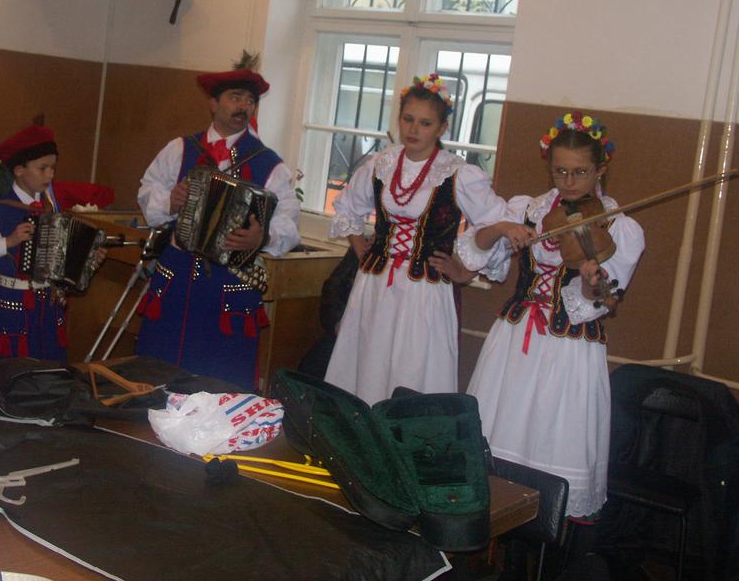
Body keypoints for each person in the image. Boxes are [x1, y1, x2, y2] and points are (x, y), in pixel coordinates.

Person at [458, 112, 644, 572]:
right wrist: (502, 229)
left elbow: (600, 301)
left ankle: (544, 563)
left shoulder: (619, 228)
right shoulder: (529, 209)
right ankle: (491, 561)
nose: (569, 181)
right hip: (514, 342)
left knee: (553, 450)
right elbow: (476, 251)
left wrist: (593, 284)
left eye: (580, 171)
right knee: (495, 446)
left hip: (568, 351)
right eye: (560, 171)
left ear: (600, 169)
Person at [323, 73, 509, 403]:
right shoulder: (381, 164)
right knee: (367, 364)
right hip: (375, 286)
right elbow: (348, 207)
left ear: (441, 128)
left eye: (425, 123)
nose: (413, 129)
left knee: (412, 370)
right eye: (408, 119)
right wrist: (360, 247)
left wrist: (465, 271)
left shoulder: (457, 173)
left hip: (425, 292)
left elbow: (499, 224)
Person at [135, 67, 301, 390]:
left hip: (229, 287)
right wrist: (169, 201)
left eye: (250, 101)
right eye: (235, 98)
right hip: (176, 279)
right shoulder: (180, 149)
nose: (244, 106)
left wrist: (262, 237)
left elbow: (289, 221)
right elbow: (146, 190)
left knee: (220, 383)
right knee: (158, 376)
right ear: (213, 103)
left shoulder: (269, 163)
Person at [0, 125, 91, 365]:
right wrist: (8, 242)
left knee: (47, 370)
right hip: (14, 306)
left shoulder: (51, 208)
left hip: (47, 308)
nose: (50, 175)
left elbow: (58, 263)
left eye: (53, 168)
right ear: (19, 170)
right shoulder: (1, 210)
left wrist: (86, 260)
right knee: (10, 371)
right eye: (42, 168)